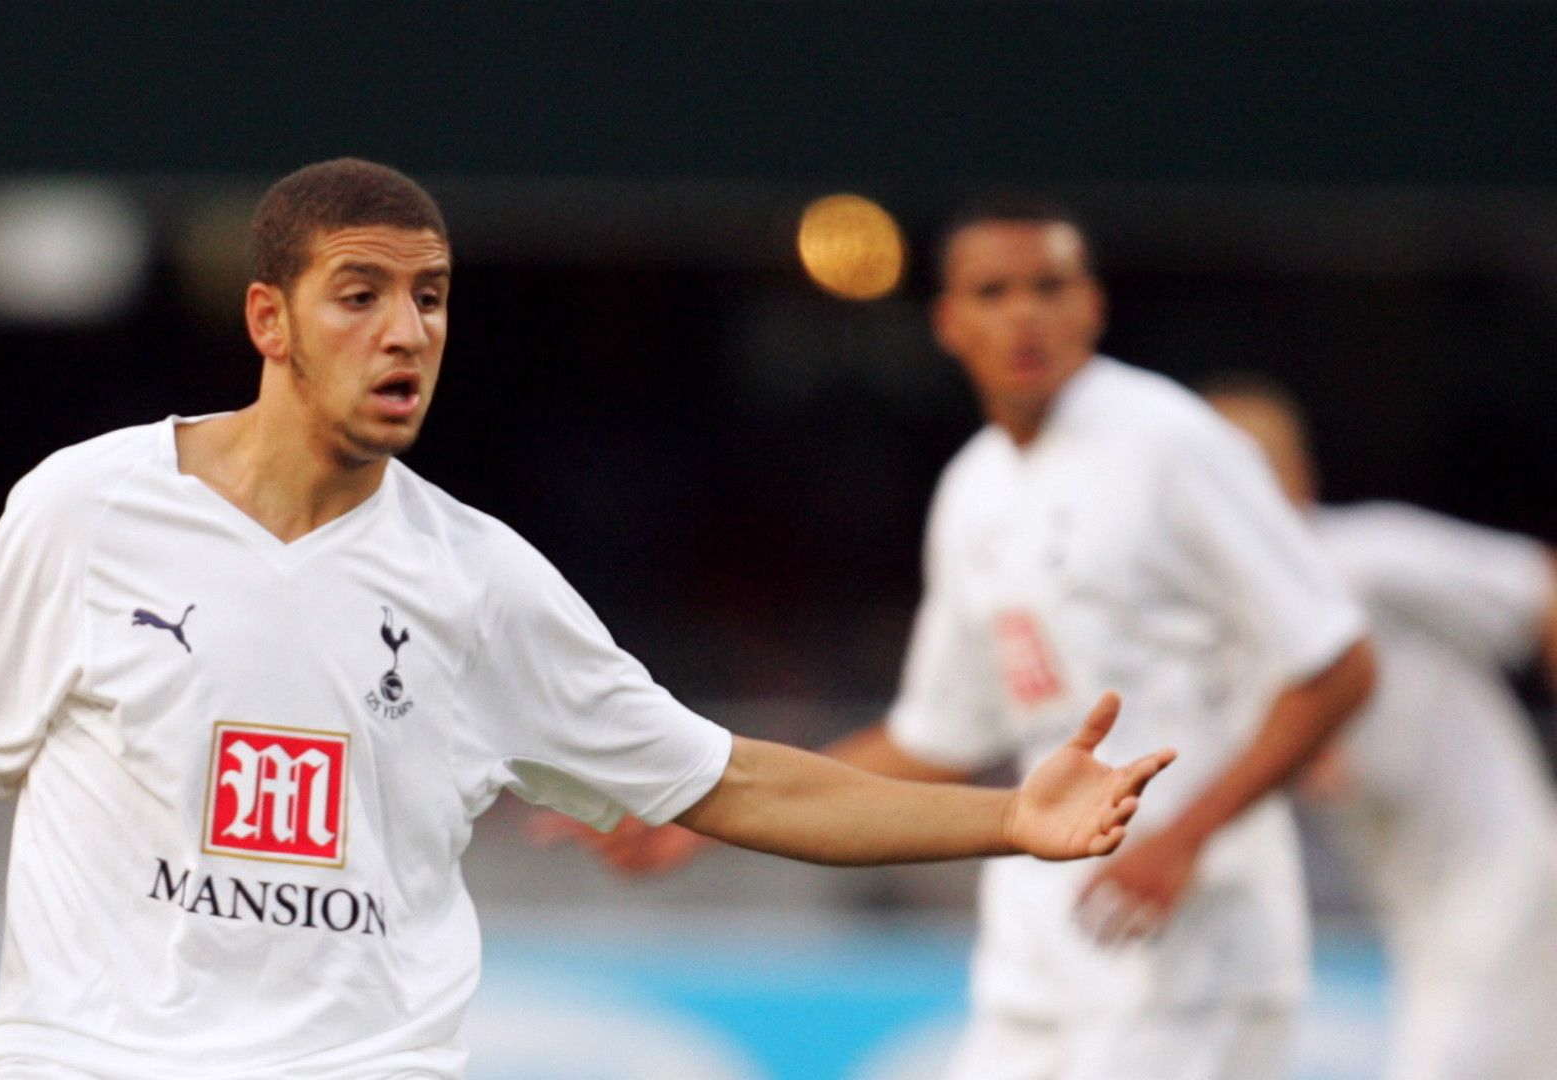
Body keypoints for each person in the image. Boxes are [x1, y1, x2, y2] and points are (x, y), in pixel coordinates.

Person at [0, 161, 1176, 1080]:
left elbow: (737, 780)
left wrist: (1008, 818)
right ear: (269, 318)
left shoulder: (482, 583)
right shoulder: (85, 509)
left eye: (431, 299)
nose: (408, 332)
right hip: (89, 1058)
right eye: (361, 296)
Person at [564, 203, 1377, 1080]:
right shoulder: (973, 489)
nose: (1024, 314)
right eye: (993, 292)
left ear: (1092, 306)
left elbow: (1339, 665)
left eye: (1048, 287)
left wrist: (1183, 840)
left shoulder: (1173, 443)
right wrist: (706, 814)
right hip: (1041, 951)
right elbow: (935, 738)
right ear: (950, 323)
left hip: (1194, 951)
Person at [1206, 374, 1557, 1080]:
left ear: (1296, 478)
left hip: (1501, 877)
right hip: (1415, 908)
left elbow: (1541, 594)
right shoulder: (1224, 625)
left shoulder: (1365, 559)